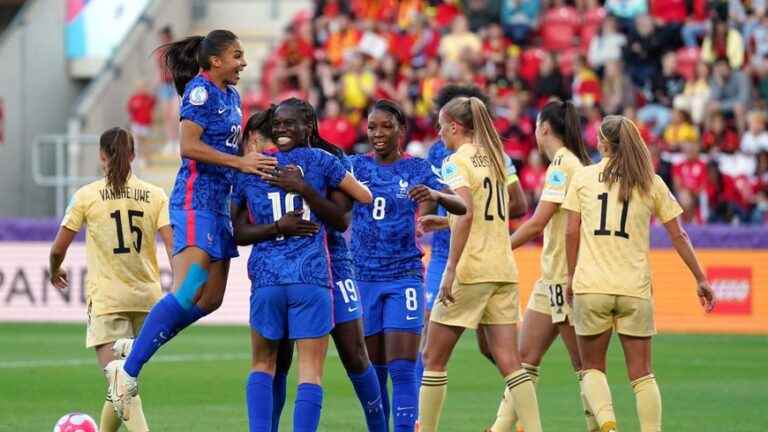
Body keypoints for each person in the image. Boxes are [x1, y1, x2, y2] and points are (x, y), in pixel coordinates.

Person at [105, 30, 278, 419]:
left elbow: (230, 147)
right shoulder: (199, 93)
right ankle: (128, 373)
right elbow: (188, 146)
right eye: (237, 55)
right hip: (195, 201)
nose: (244, 62)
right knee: (188, 289)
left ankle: (136, 349)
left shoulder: (231, 96)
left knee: (210, 299)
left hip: (219, 205)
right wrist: (241, 163)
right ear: (215, 60)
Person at [241, 99, 388, 432]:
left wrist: (303, 189)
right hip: (304, 269)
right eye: (276, 124)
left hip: (333, 262)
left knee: (354, 353)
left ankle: (379, 426)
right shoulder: (268, 164)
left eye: (287, 123)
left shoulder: (332, 158)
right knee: (281, 362)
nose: (280, 130)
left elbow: (341, 219)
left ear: (306, 126)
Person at [562, 115, 716, 432]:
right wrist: (700, 278)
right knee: (642, 374)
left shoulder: (583, 178)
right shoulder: (650, 181)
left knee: (592, 368)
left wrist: (569, 276)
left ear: (604, 143)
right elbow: (679, 236)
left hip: (592, 286)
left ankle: (607, 425)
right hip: (635, 288)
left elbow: (570, 233)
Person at [417, 96, 542, 432]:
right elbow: (489, 213)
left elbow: (468, 211)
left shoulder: (456, 162)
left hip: (472, 269)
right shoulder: (497, 159)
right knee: (511, 362)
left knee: (433, 358)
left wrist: (451, 270)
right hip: (502, 267)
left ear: (455, 127)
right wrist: (443, 223)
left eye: (442, 127)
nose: (439, 133)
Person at [351, 99, 466, 432]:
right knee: (375, 371)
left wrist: (436, 194)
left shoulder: (417, 168)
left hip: (404, 278)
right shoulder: (355, 166)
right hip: (364, 279)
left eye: (386, 126)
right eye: (372, 127)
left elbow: (460, 204)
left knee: (403, 368)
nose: (378, 133)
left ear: (401, 130)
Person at [48, 127, 172, 432]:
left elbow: (57, 249)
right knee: (121, 379)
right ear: (133, 155)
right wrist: (181, 287)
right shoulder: (155, 195)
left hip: (108, 301)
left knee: (121, 383)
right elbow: (174, 246)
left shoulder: (87, 196)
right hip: (148, 302)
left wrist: (55, 269)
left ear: (102, 156)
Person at [488, 100, 595, 432]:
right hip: (550, 279)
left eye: (536, 125)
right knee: (523, 359)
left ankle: (600, 425)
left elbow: (537, 222)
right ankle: (500, 428)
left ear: (544, 128)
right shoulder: (571, 163)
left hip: (564, 279)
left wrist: (498, 247)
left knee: (585, 366)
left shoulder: (563, 165)